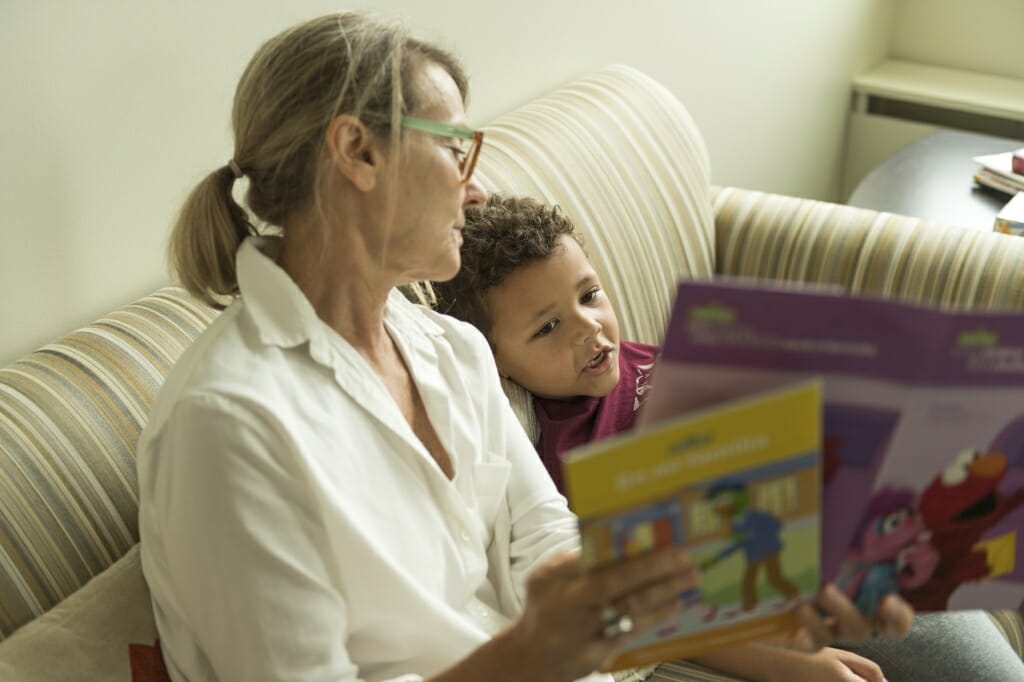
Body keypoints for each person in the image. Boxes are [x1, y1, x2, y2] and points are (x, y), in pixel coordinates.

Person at [137, 12, 914, 682]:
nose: (474, 188)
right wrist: (537, 651)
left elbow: (548, 540)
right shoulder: (228, 425)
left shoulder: (449, 349)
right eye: (455, 149)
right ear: (357, 152)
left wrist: (759, 591)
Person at [432, 194, 911, 681]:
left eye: (589, 295)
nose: (588, 328)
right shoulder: (560, 463)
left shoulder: (651, 359)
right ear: (494, 361)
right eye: (548, 326)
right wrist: (798, 666)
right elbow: (661, 613)